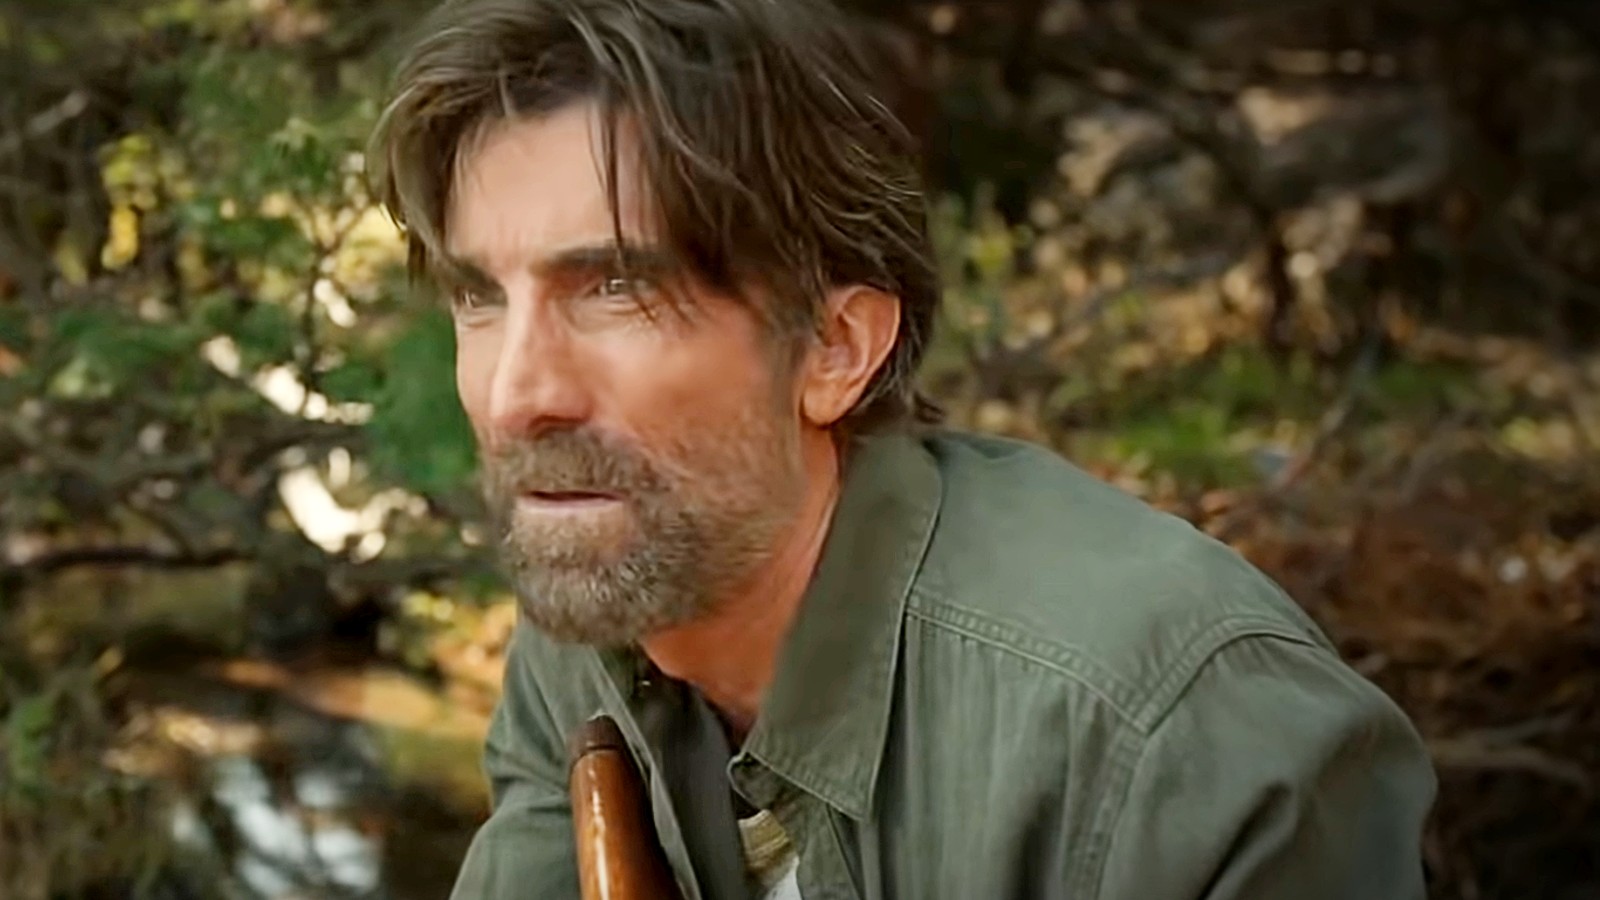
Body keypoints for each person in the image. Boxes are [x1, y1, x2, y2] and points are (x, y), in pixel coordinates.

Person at [367, 0, 1437, 897]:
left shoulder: (1181, 743)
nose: (515, 396)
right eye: (477, 297)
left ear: (834, 349)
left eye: (617, 288)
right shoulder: (591, 627)